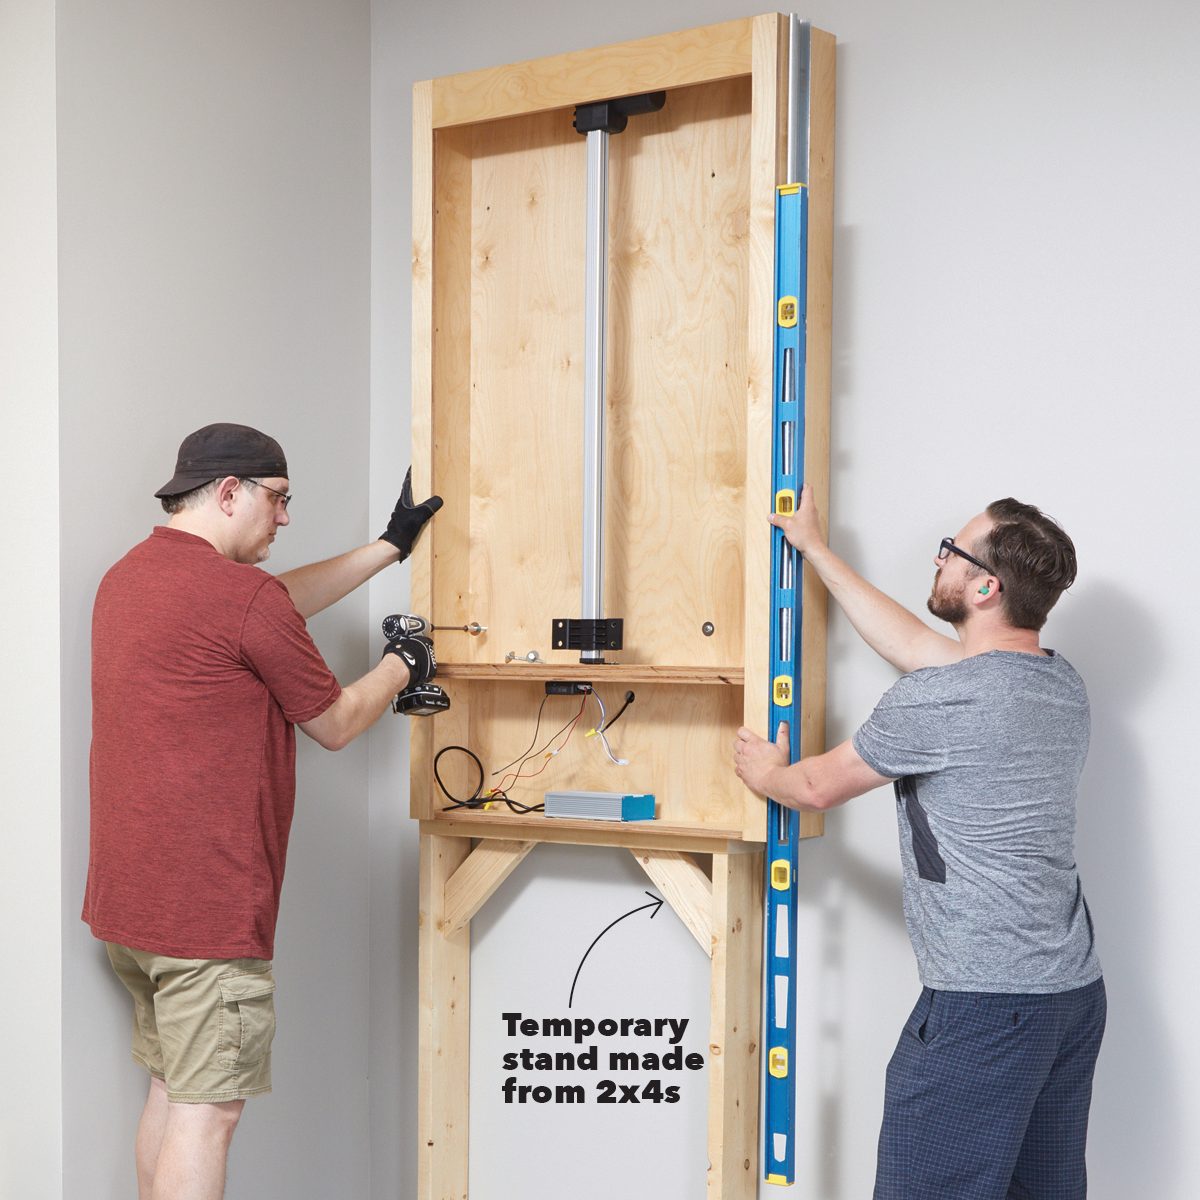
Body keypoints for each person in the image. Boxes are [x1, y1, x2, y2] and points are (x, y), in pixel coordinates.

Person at [82, 423, 441, 1200]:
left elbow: (270, 605)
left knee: (171, 1095)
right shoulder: (241, 599)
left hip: (132, 907)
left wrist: (390, 546)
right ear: (229, 492)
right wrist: (401, 665)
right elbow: (337, 723)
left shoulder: (130, 577)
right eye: (277, 501)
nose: (284, 518)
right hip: (207, 916)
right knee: (208, 1116)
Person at [734, 485, 1104, 1200]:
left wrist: (769, 772)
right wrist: (814, 549)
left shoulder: (942, 700)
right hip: (1070, 997)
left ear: (985, 586)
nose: (939, 559)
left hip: (984, 1008)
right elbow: (912, 645)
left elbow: (814, 789)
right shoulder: (1058, 684)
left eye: (952, 552)